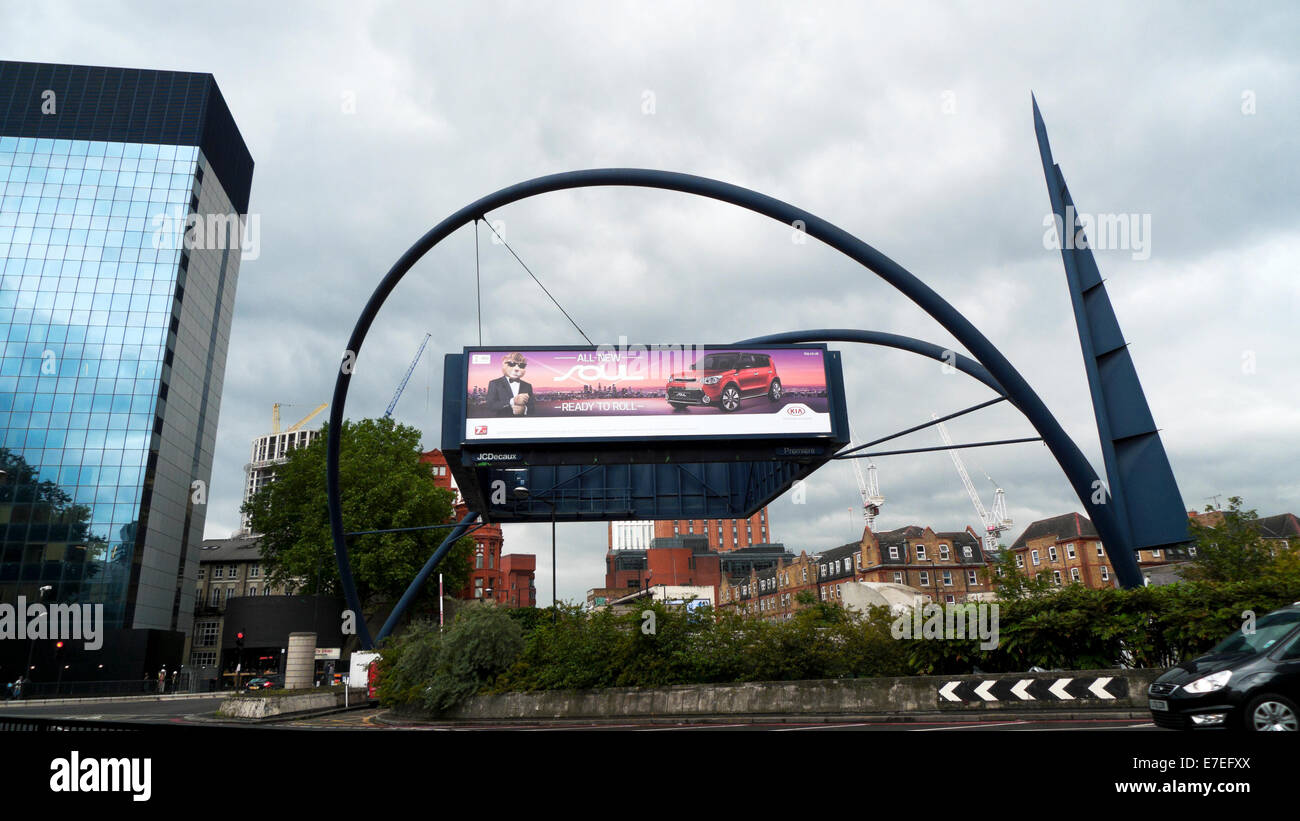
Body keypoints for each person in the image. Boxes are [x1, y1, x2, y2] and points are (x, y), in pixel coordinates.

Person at [484, 353, 534, 417]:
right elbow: (490, 405)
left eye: (521, 365)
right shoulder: (495, 383)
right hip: (501, 424)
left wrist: (524, 410)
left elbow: (532, 408)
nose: (516, 369)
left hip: (523, 424)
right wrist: (512, 401)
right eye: (512, 364)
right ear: (504, 366)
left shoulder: (527, 386)